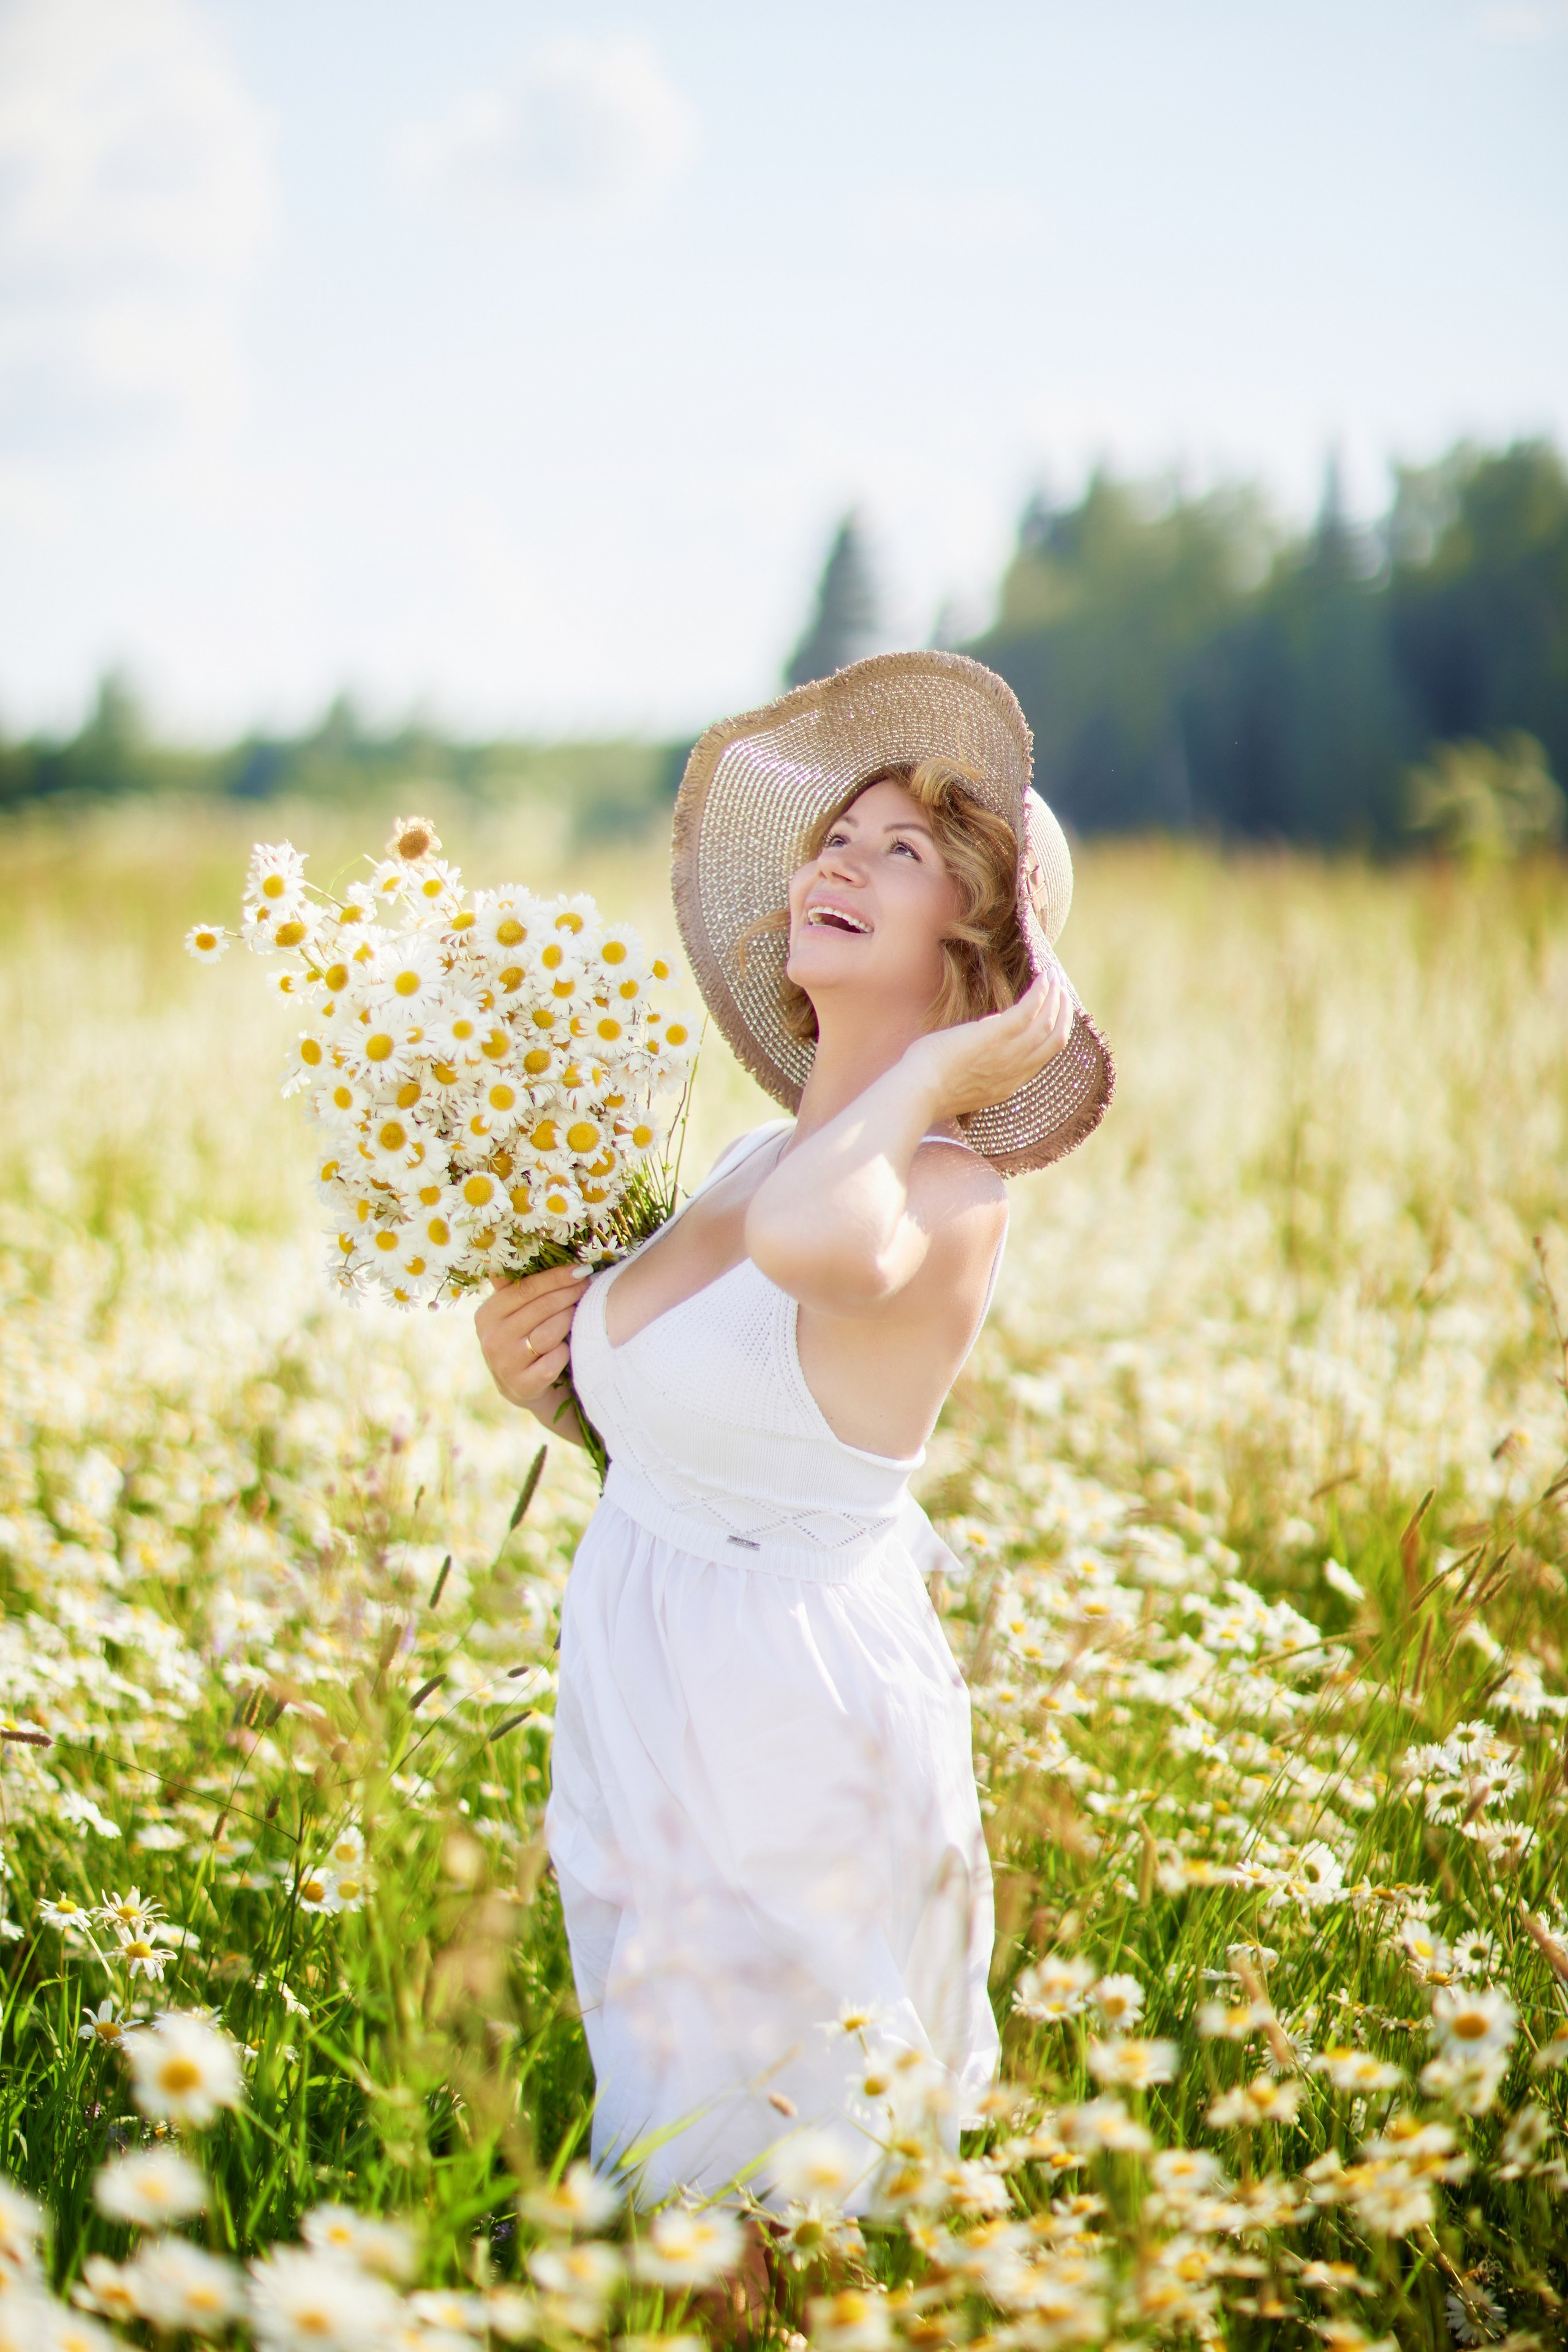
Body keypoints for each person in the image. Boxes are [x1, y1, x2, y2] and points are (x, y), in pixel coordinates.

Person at [476, 652, 1112, 2215]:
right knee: (684, 2194)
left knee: (769, 2199)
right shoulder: (766, 1151)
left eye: (905, 855)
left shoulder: (942, 1193)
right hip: (647, 1687)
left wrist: (944, 1075)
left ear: (982, 960)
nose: (838, 858)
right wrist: (542, 1384)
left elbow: (821, 1254)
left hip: (786, 1729)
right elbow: (727, 1437)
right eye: (840, 836)